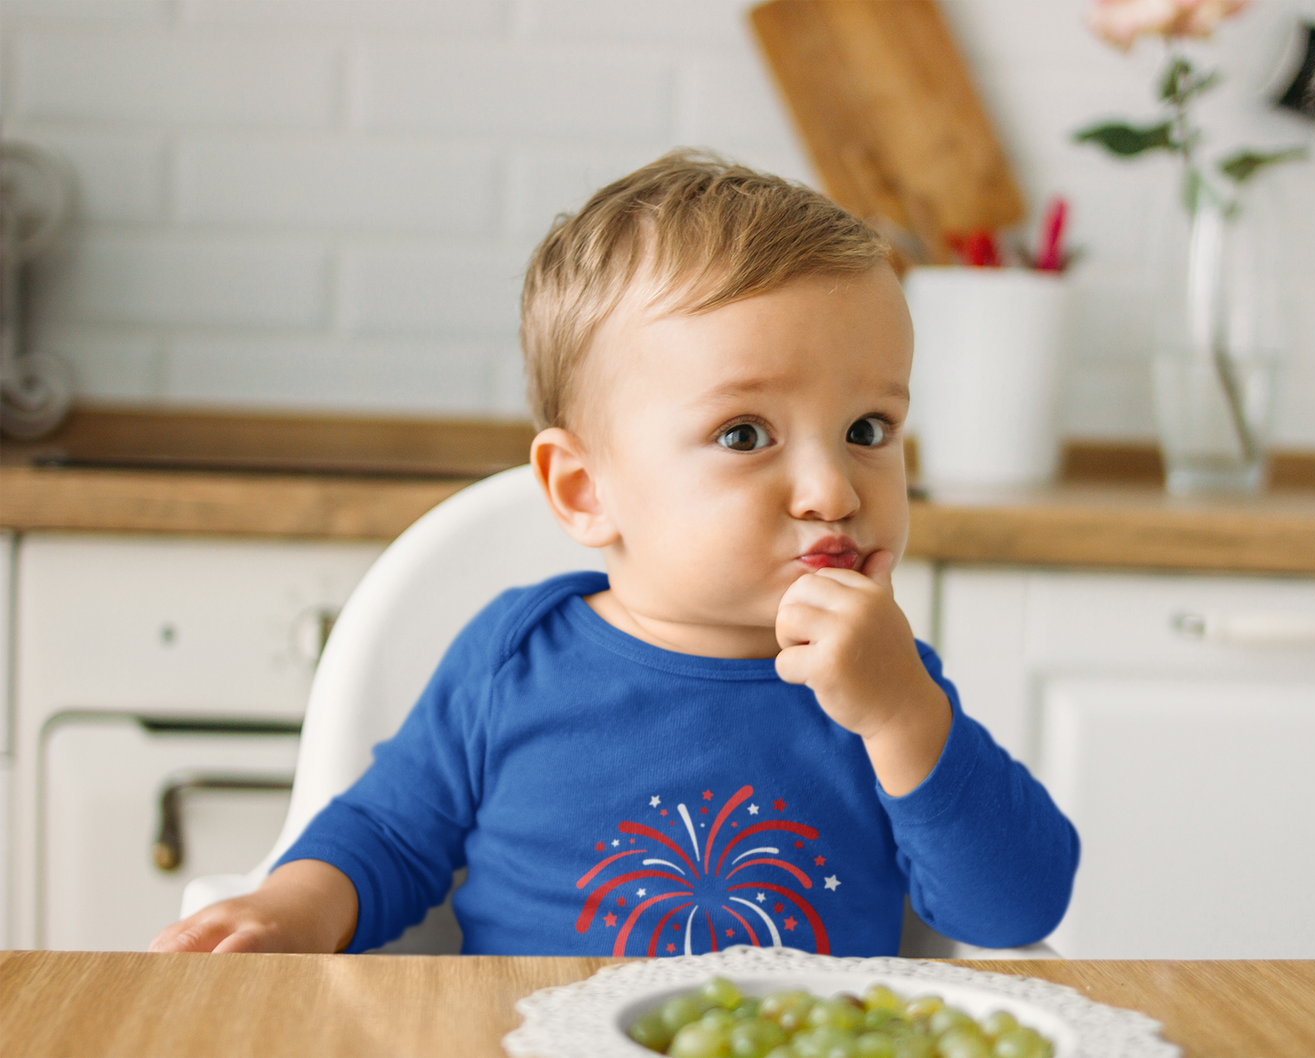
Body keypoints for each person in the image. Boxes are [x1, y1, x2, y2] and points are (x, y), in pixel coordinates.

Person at [150, 151, 1079, 958]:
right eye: (746, 434)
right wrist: (291, 909)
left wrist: (906, 717)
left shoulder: (881, 687)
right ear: (584, 490)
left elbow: (1012, 913)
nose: (834, 491)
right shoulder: (514, 659)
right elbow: (390, 835)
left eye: (868, 427)